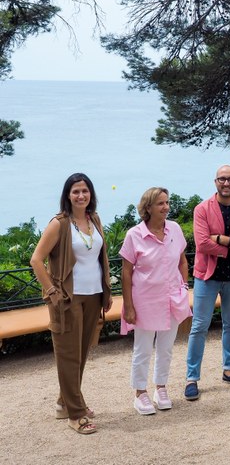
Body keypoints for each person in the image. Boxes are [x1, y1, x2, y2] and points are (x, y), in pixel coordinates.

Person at [29, 173, 112, 435]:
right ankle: (76, 414)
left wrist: (106, 293)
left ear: (91, 194)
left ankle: (64, 403)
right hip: (67, 299)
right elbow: (36, 260)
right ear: (67, 195)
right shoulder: (59, 223)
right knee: (68, 355)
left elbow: (100, 258)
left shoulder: (93, 220)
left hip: (93, 295)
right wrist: (52, 291)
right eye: (75, 191)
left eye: (85, 191)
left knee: (81, 353)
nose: (81, 196)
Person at [184, 165, 230, 400]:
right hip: (207, 276)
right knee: (199, 327)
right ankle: (192, 378)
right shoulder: (202, 209)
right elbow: (203, 244)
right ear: (215, 181)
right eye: (222, 179)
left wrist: (223, 239)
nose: (226, 183)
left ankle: (229, 370)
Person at [120, 187, 191, 415]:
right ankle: (140, 393)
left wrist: (184, 287)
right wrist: (128, 306)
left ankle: (161, 388)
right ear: (148, 207)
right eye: (160, 203)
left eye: (167, 202)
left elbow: (182, 261)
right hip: (145, 301)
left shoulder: (175, 229)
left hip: (172, 298)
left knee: (166, 348)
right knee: (142, 349)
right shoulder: (134, 235)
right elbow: (126, 273)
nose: (166, 207)